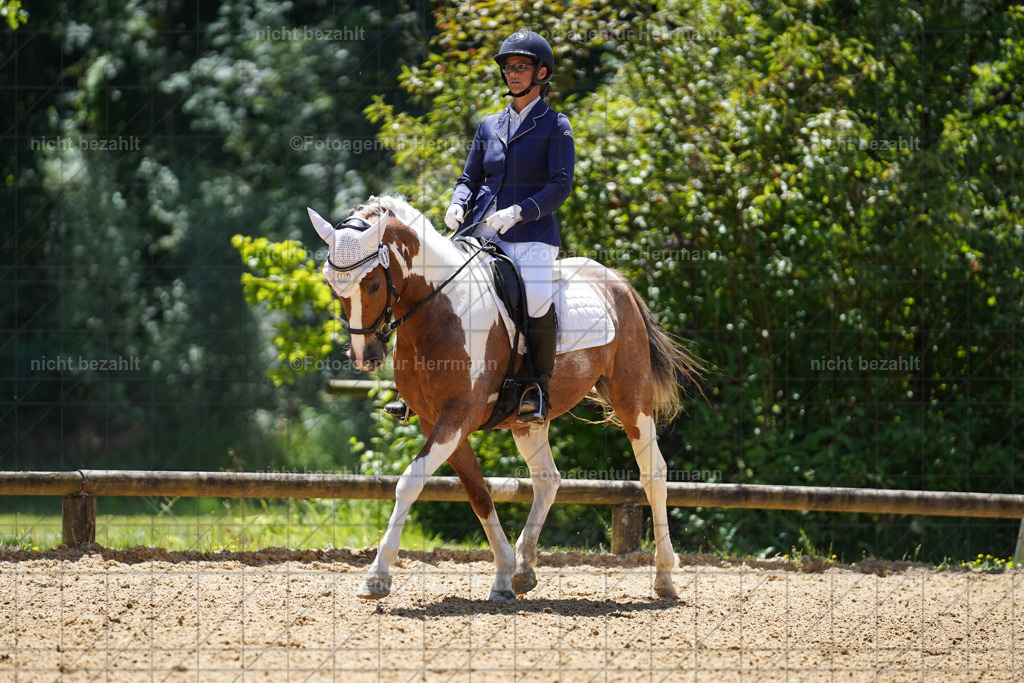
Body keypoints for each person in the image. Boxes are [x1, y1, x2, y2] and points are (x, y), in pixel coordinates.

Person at [386, 30, 574, 426]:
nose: (513, 73)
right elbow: (469, 177)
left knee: (537, 298)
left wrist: (521, 211)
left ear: (542, 72)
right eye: (509, 67)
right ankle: (413, 388)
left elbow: (561, 185)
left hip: (531, 234)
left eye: (522, 66)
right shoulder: (490, 125)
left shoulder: (555, 125)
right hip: (479, 228)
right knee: (433, 285)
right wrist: (457, 202)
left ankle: (536, 387)